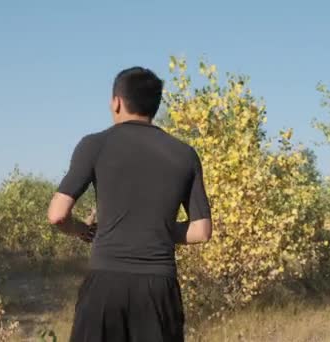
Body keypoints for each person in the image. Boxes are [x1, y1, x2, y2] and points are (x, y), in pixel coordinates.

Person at [47, 67, 212, 342]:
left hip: (105, 283)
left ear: (117, 102)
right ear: (154, 106)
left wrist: (83, 231)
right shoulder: (184, 154)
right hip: (158, 286)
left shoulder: (95, 145)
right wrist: (154, 229)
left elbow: (57, 215)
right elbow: (202, 230)